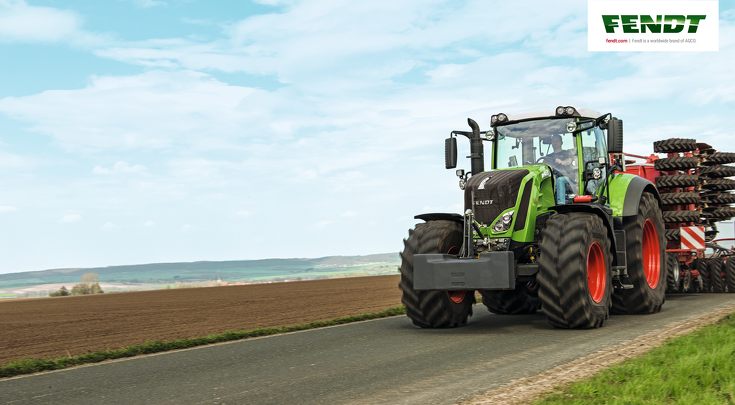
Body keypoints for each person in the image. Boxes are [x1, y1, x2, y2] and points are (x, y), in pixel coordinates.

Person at [543, 134, 576, 205]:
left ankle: (561, 203)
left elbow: (569, 160)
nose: (555, 142)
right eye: (553, 141)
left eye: (557, 141)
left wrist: (562, 162)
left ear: (561, 143)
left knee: (559, 180)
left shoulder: (566, 153)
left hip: (567, 177)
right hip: (553, 177)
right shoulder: (548, 157)